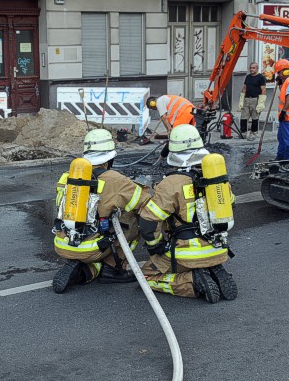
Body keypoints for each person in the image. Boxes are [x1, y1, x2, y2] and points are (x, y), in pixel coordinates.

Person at [137, 124, 237, 303]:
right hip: (218, 247)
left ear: (173, 152)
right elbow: (231, 204)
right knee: (202, 257)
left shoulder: (171, 184)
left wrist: (156, 247)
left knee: (145, 277)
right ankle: (212, 268)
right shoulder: (217, 179)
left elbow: (148, 222)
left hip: (186, 254)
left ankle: (191, 280)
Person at [51, 128, 152, 294]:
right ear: (109, 159)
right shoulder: (114, 180)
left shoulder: (67, 176)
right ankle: (113, 268)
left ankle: (85, 271)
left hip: (62, 243)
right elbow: (145, 203)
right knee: (134, 217)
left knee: (97, 231)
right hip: (93, 247)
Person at [239, 62, 267, 141]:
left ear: (257, 68)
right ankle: (243, 133)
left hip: (255, 99)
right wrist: (241, 99)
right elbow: (244, 88)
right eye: (250, 68)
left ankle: (253, 133)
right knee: (244, 116)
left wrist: (261, 102)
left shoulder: (261, 77)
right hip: (247, 99)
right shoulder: (248, 77)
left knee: (255, 117)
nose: (251, 69)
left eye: (253, 68)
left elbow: (263, 90)